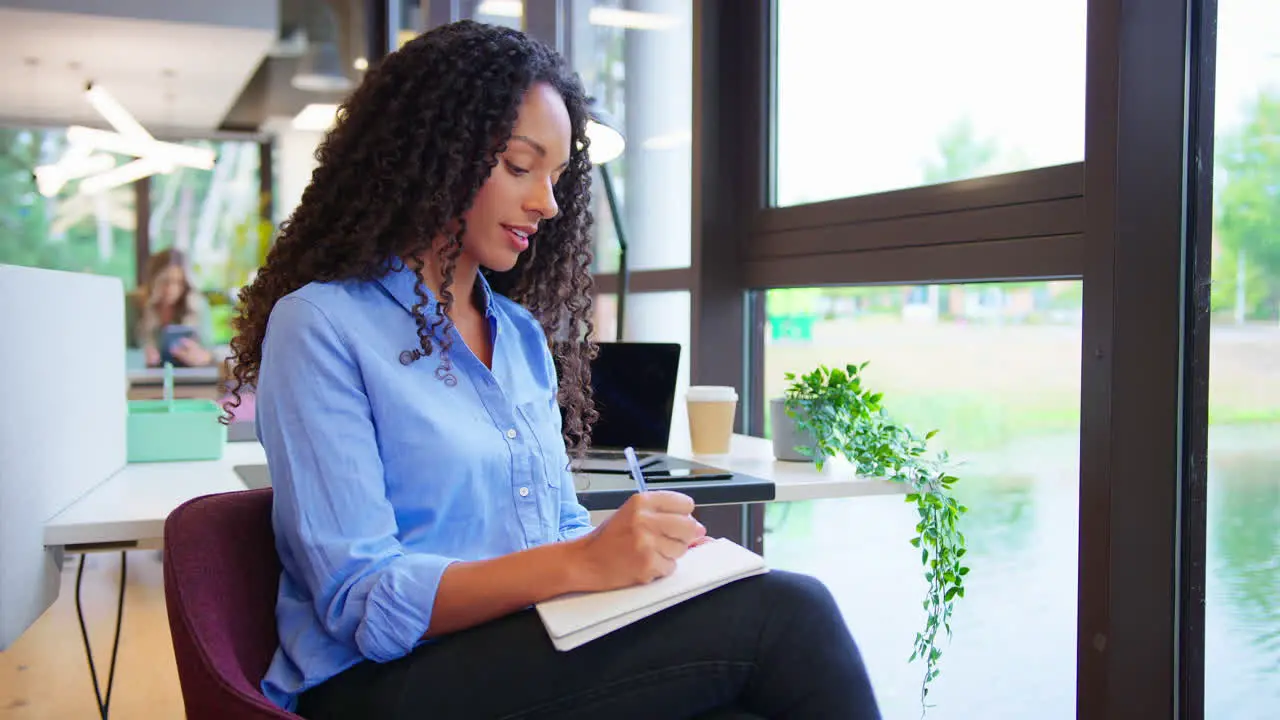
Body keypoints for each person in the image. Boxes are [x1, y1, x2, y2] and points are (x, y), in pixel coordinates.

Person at [223, 20, 881, 720]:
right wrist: (582, 563)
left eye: (558, 176)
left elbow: (557, 527)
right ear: (432, 154)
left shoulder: (519, 337)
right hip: (380, 684)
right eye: (518, 166)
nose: (548, 201)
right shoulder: (322, 326)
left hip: (521, 649)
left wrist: (645, 556)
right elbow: (361, 600)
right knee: (788, 613)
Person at [129, 248, 215, 367]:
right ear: (152, 279)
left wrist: (202, 356)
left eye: (178, 282)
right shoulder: (133, 304)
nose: (171, 289)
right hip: (145, 378)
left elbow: (210, 351)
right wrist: (139, 357)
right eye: (164, 281)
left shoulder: (197, 305)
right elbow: (115, 349)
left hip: (187, 377)